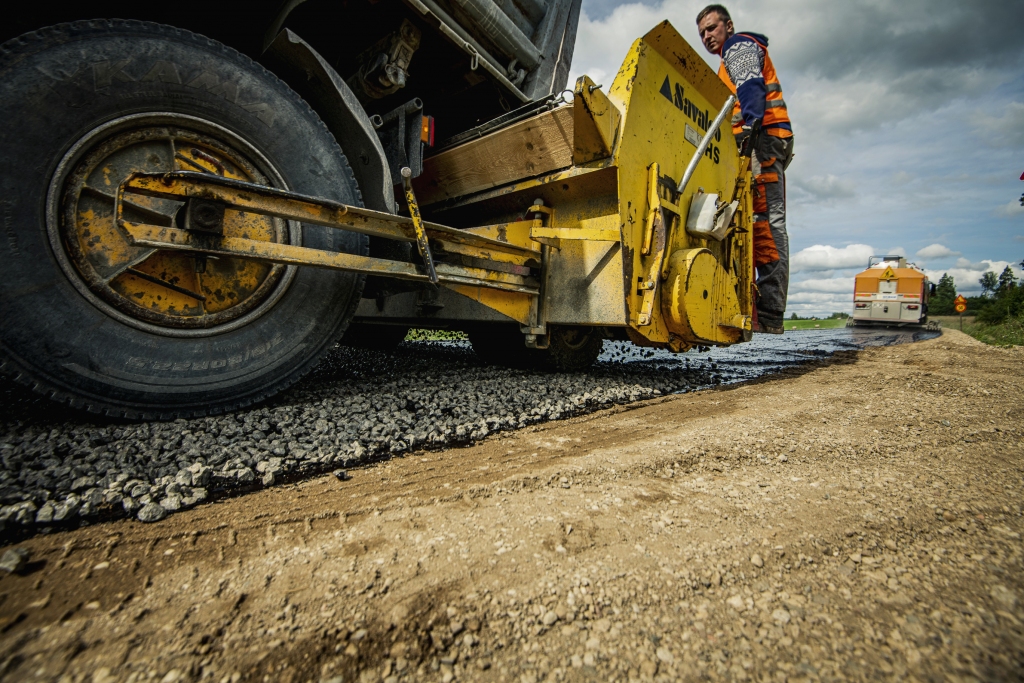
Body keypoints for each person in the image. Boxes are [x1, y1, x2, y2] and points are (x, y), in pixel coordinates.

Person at [697, 4, 794, 334]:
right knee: (753, 221)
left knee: (765, 222)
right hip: (757, 144)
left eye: (711, 28)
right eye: (702, 34)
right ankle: (757, 308)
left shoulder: (737, 46)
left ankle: (769, 312)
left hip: (761, 142)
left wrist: (751, 127)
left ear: (728, 25)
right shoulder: (726, 62)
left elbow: (751, 86)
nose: (707, 36)